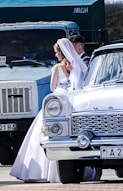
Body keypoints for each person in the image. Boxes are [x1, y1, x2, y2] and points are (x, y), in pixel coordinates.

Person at [10, 38, 99, 183]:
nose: (56, 55)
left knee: (44, 133)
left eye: (56, 52)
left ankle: (41, 173)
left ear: (61, 53)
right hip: (72, 103)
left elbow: (52, 88)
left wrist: (61, 90)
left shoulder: (56, 68)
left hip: (58, 103)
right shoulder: (78, 67)